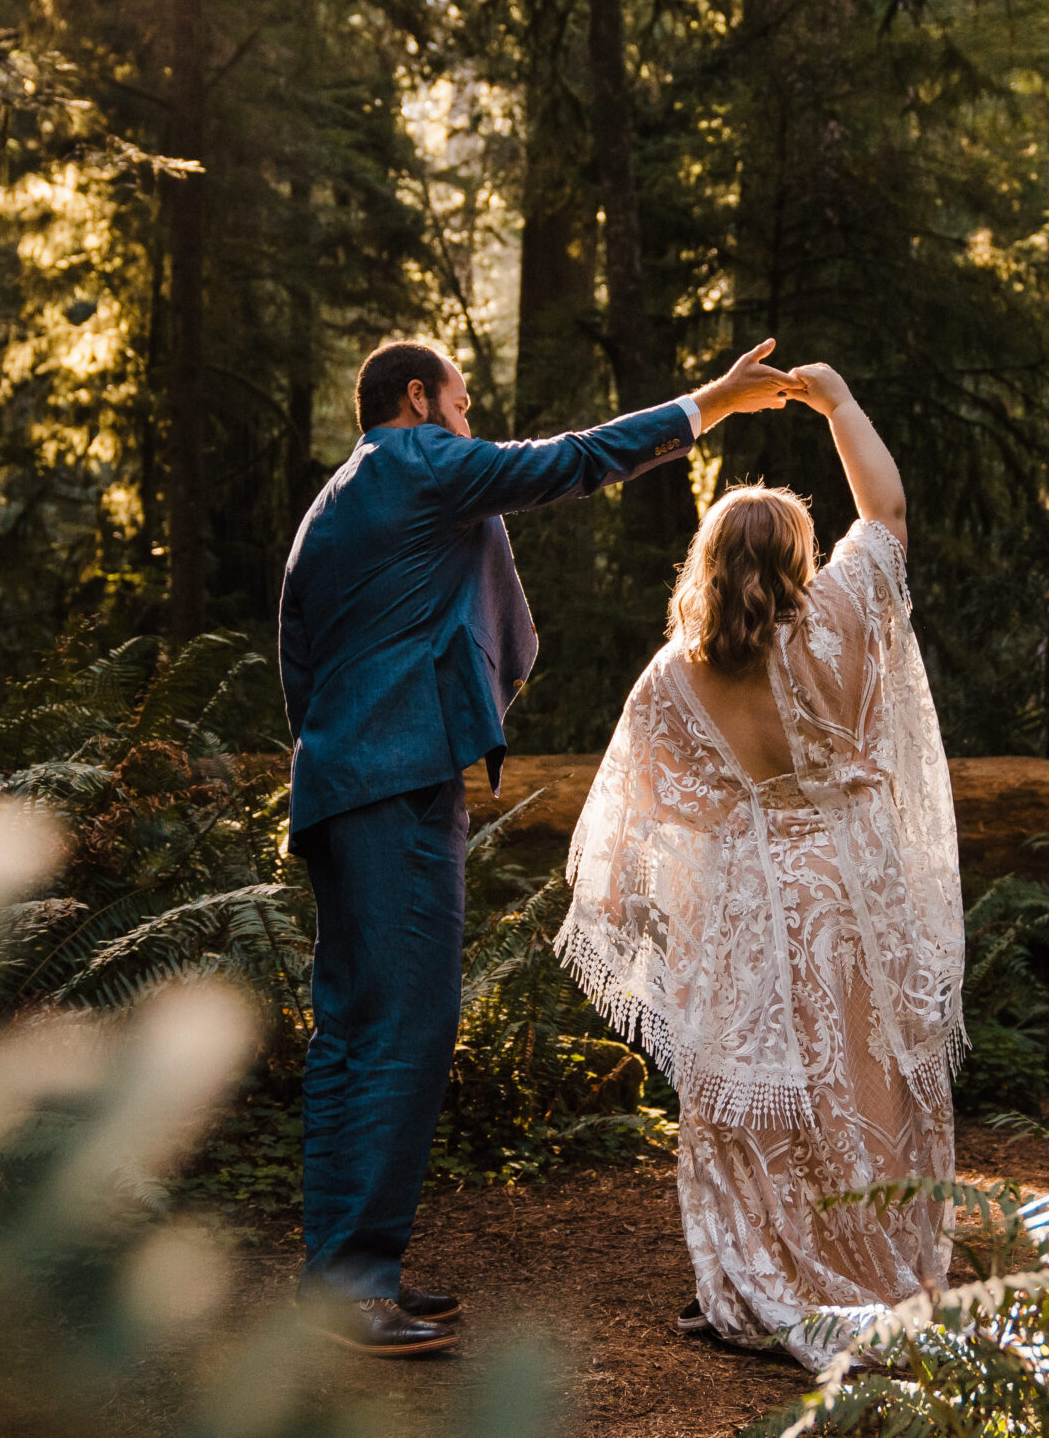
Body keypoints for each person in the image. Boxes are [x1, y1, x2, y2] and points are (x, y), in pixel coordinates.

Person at [278, 336, 797, 1356]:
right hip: (393, 787)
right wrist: (711, 405)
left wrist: (344, 755)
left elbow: (298, 660)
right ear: (421, 399)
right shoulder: (417, 464)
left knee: (355, 1029)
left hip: (345, 782)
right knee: (404, 1030)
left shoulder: (333, 504)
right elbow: (572, 457)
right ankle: (351, 1287)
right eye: (464, 403)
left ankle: (343, 1274)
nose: (473, 422)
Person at [554, 362, 964, 1369]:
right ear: (797, 555)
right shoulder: (843, 618)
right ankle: (871, 1275)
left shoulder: (675, 674)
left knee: (752, 1107)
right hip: (854, 893)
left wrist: (640, 905)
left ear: (704, 560)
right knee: (861, 1094)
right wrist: (837, 403)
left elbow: (629, 810)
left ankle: (755, 1277)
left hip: (745, 906)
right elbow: (891, 506)